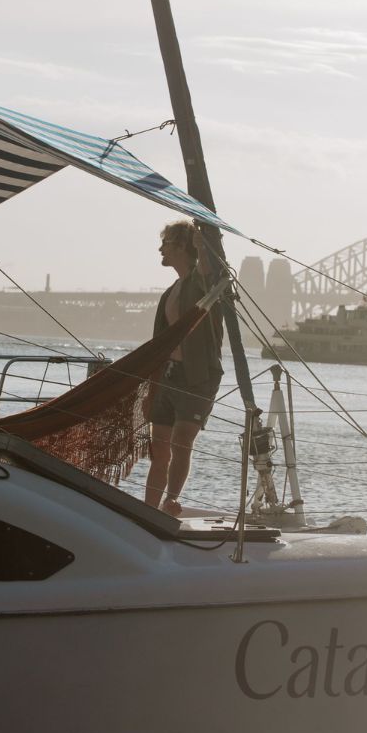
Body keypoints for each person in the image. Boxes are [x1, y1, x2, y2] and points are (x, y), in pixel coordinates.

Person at [144, 220, 223, 517]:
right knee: (159, 449)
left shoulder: (199, 282)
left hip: (196, 377)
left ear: (180, 246)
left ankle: (172, 502)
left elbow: (209, 267)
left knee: (181, 441)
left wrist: (203, 239)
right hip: (167, 375)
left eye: (165, 243)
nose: (160, 249)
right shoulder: (172, 290)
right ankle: (148, 509)